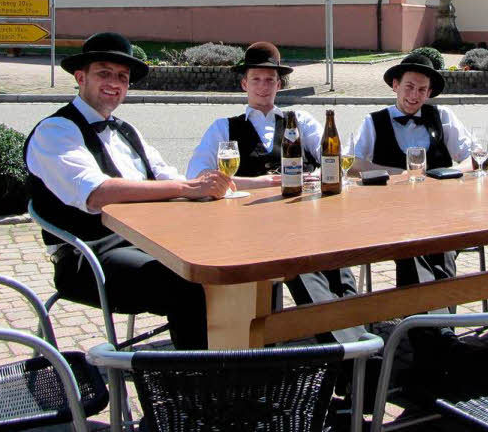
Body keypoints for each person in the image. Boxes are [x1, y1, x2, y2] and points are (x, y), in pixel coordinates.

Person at [25, 32, 233, 349]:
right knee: (187, 285)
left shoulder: (126, 130)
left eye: (122, 77)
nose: (114, 82)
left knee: (229, 266)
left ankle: (242, 358)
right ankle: (198, 385)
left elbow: (168, 177)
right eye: (104, 73)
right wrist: (187, 187)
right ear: (80, 77)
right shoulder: (55, 130)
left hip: (147, 240)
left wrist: (229, 185)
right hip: (89, 256)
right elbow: (97, 192)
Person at [187, 41, 364, 344]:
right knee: (303, 264)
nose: (263, 86)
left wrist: (316, 176)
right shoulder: (223, 128)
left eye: (270, 79)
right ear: (244, 83)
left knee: (336, 262)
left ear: (279, 84)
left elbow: (333, 159)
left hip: (308, 219)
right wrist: (260, 183)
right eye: (256, 79)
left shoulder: (301, 120)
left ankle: (354, 338)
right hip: (252, 228)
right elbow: (198, 176)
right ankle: (350, 351)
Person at [350, 54, 473, 359]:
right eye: (409, 87)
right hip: (390, 215)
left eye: (422, 90)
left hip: (441, 212)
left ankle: (438, 335)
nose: (414, 95)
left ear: (429, 93)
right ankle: (434, 341)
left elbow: (474, 156)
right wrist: (397, 174)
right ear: (395, 85)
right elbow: (351, 166)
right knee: (412, 245)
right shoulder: (374, 120)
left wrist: (454, 176)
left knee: (441, 245)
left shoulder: (442, 117)